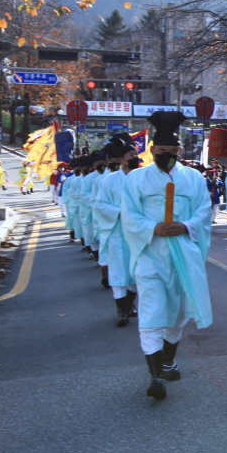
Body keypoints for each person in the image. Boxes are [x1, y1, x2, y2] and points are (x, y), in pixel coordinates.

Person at [121, 111, 214, 401]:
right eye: (162, 151)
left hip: (184, 255)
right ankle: (156, 376)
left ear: (180, 150)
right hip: (150, 253)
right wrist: (153, 228)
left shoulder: (194, 178)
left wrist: (185, 225)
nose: (168, 156)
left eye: (173, 151)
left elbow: (203, 212)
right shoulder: (136, 178)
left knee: (176, 314)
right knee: (151, 311)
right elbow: (129, 214)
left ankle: (168, 361)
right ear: (152, 151)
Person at [94, 133, 140, 324]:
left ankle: (129, 305)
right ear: (122, 160)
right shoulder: (109, 180)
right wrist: (120, 212)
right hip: (117, 234)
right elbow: (100, 204)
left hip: (139, 234)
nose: (136, 159)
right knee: (119, 274)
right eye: (131, 156)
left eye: (136, 155)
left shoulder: (143, 177)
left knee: (136, 275)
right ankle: (122, 311)